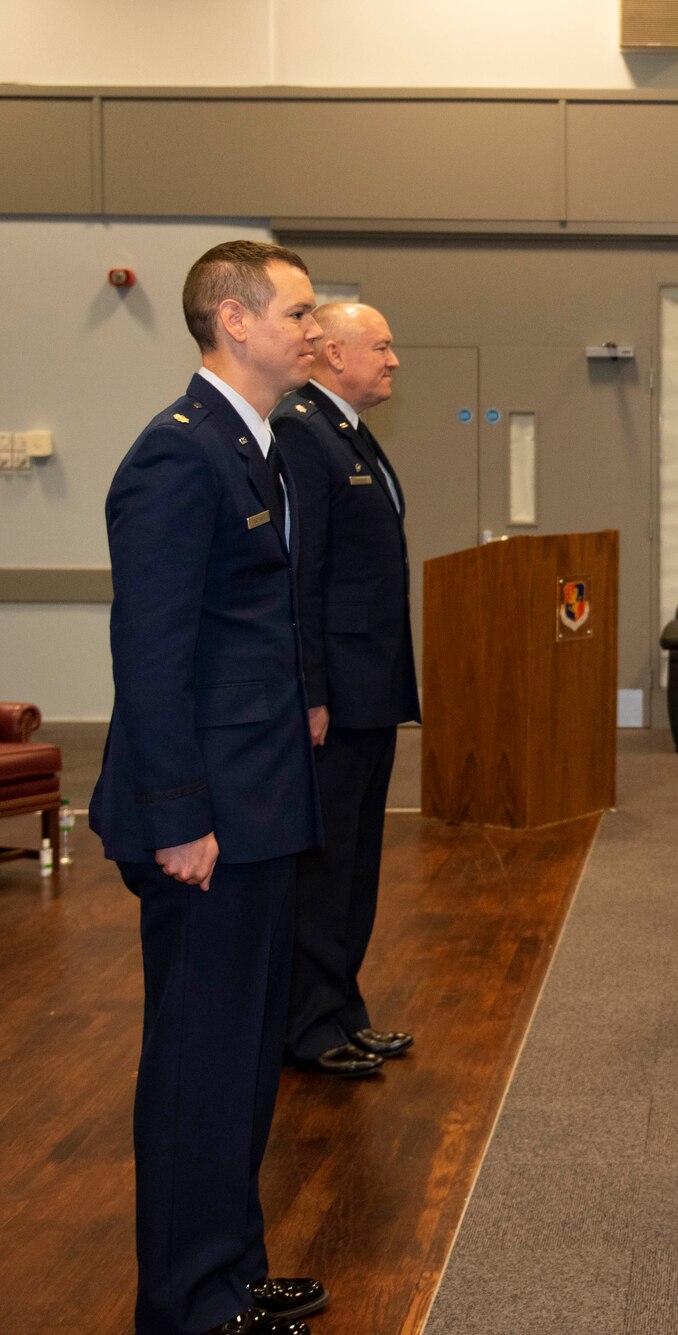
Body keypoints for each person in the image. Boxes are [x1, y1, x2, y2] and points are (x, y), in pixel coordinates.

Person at [90, 239, 330, 1335]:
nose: (311, 327)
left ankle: (229, 1269)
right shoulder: (176, 456)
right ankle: (186, 1301)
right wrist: (179, 816)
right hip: (208, 822)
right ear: (233, 321)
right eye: (297, 310)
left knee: (238, 1059)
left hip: (258, 807)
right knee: (198, 1062)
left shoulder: (256, 445)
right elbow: (149, 652)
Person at [273, 302, 419, 1079]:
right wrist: (313, 691)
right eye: (382, 346)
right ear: (333, 352)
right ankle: (307, 1024)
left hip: (371, 682)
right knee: (326, 865)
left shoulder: (350, 432)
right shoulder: (302, 429)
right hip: (337, 690)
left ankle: (342, 1010)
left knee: (357, 860)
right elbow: (306, 574)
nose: (394, 360)